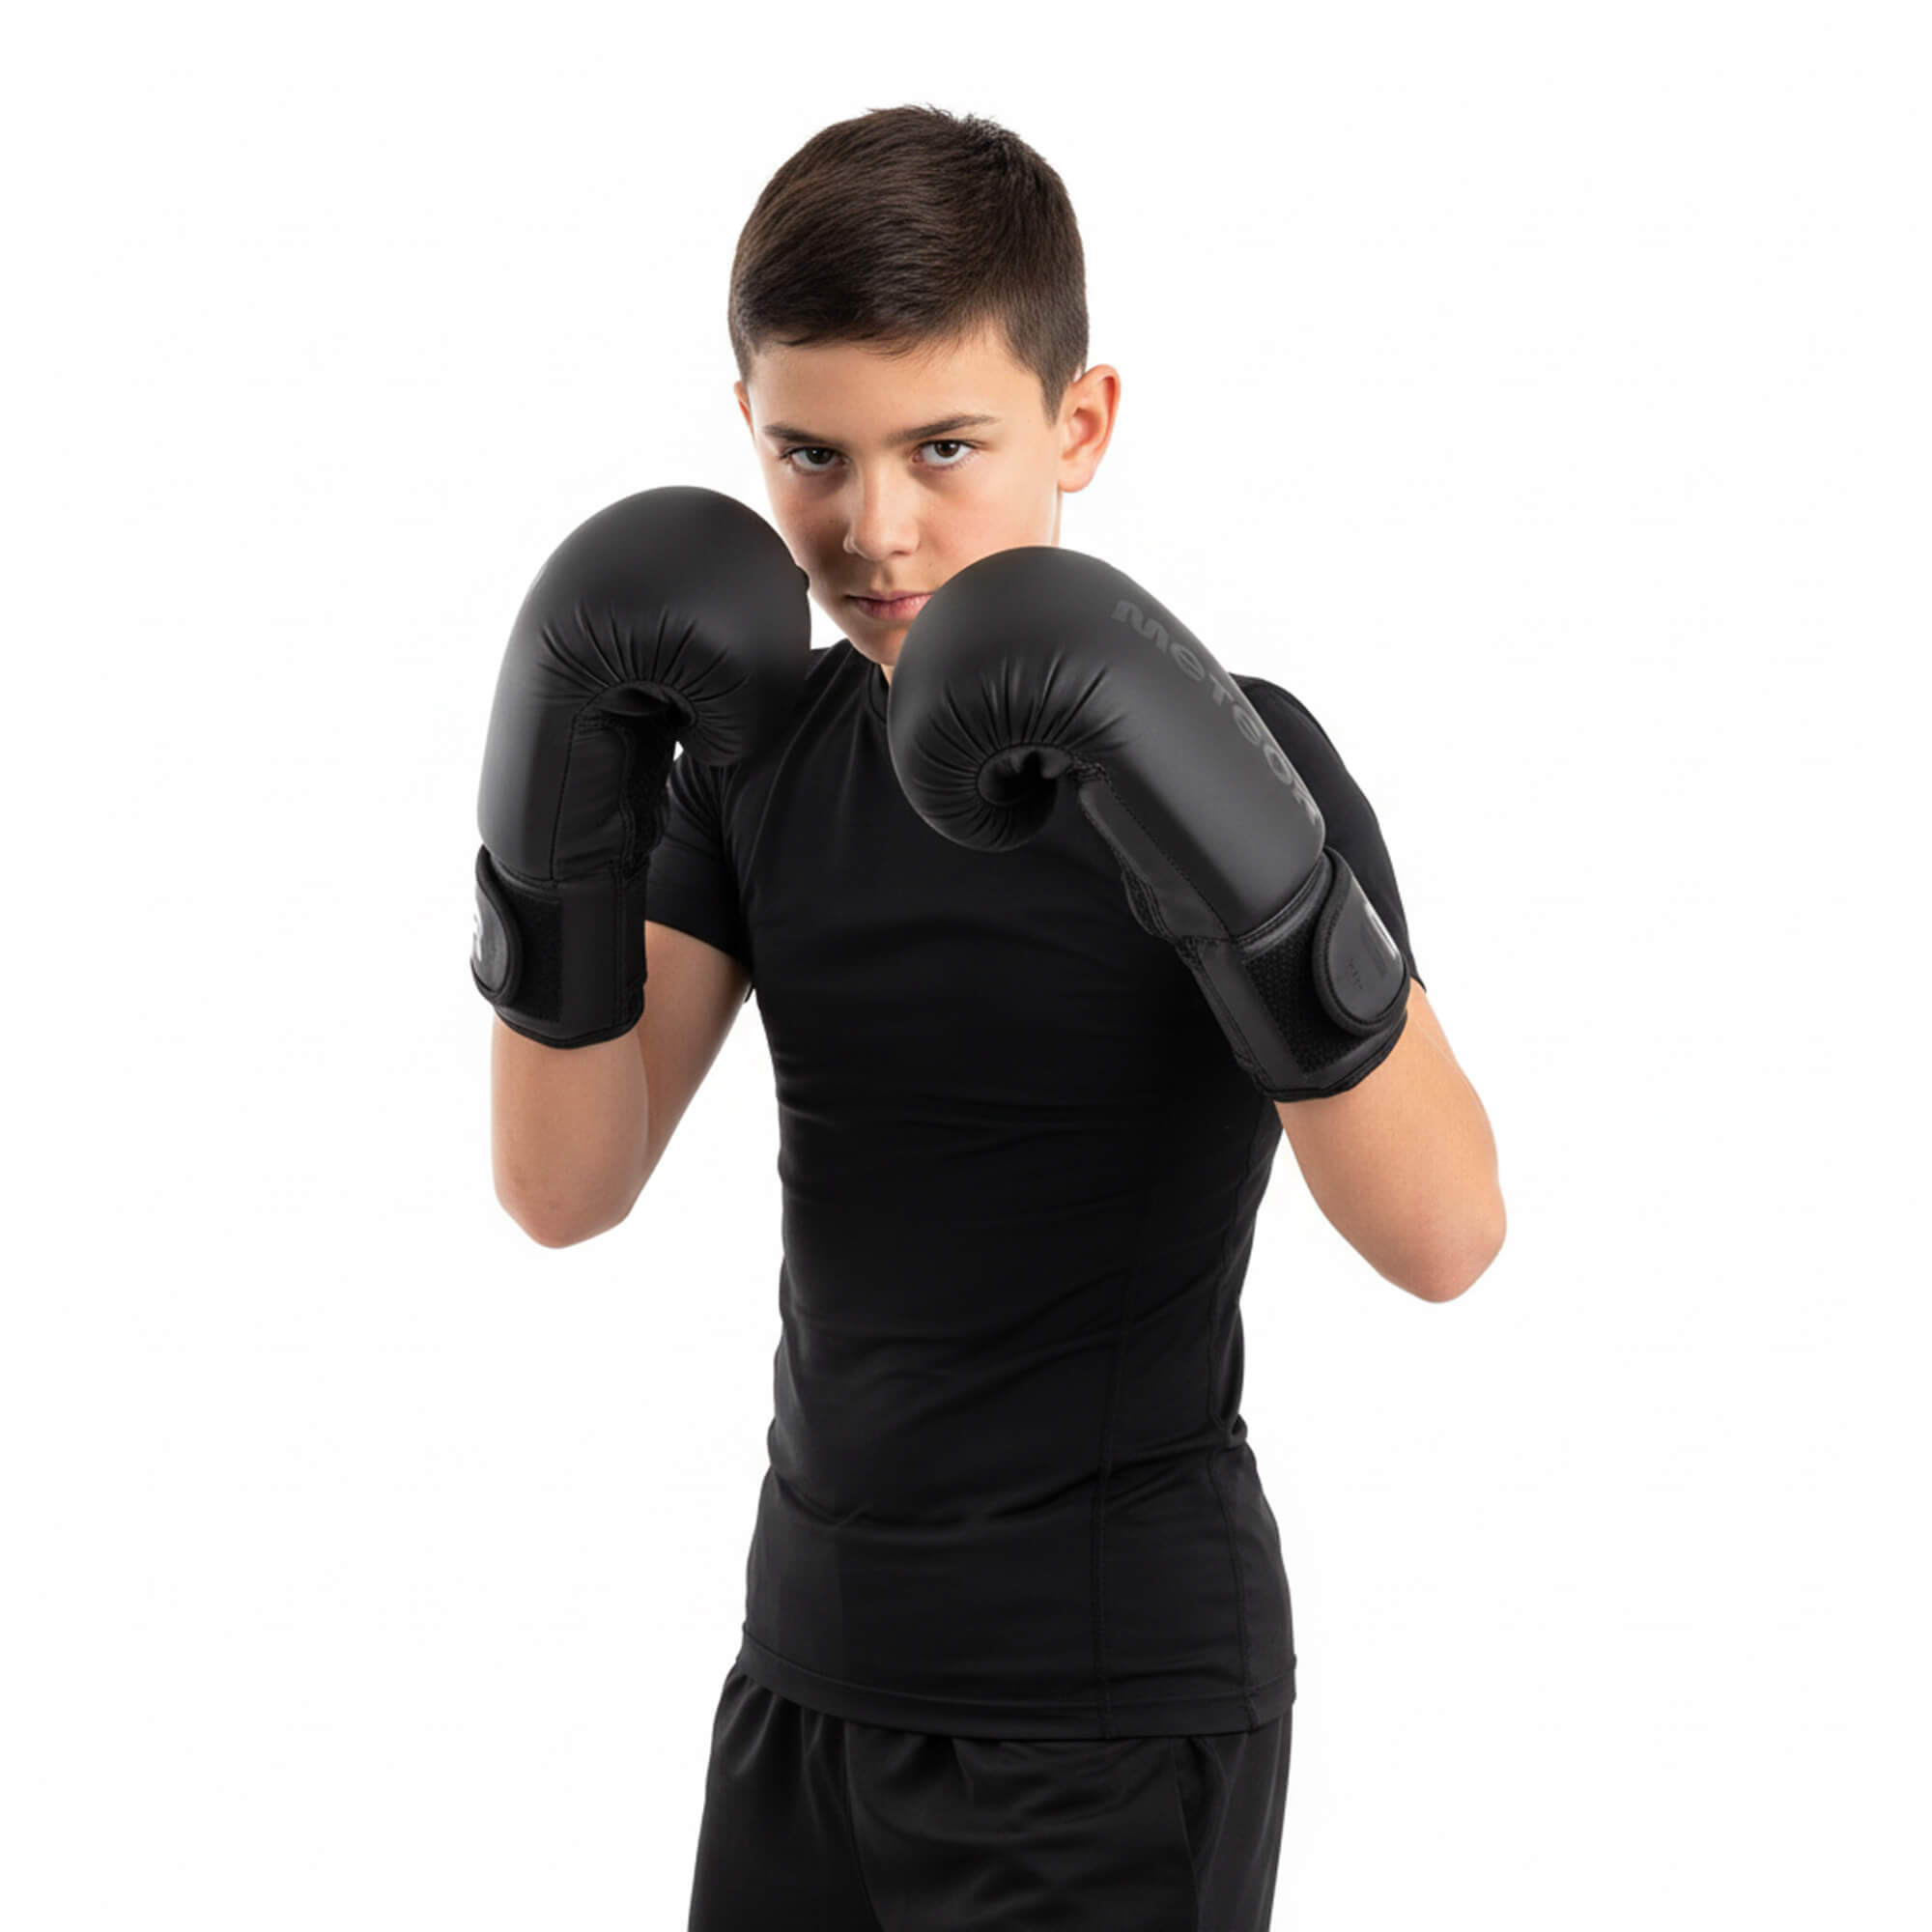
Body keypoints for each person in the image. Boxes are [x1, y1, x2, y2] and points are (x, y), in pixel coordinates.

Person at [479, 105, 1504, 1932]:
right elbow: (566, 1189)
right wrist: (551, 815)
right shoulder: (755, 760)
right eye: (813, 454)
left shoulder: (1231, 752)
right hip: (807, 1670)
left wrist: (1233, 856)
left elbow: (1445, 1237)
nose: (873, 528)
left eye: (944, 447)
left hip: (1108, 1701)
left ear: (1079, 425)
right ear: (747, 427)